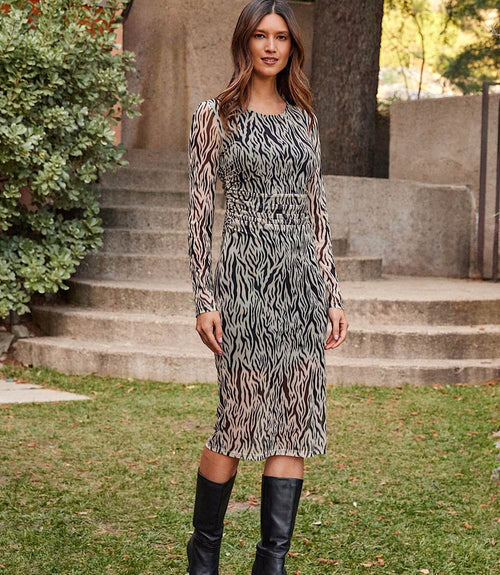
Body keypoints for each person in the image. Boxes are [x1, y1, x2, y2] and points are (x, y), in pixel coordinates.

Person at [186, 1, 349, 573]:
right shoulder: (214, 115)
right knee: (235, 419)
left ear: (291, 47)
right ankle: (203, 554)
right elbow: (200, 213)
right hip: (243, 280)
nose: (272, 46)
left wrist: (332, 293)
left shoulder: (304, 118)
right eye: (261, 36)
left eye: (281, 37)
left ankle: (270, 564)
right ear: (245, 43)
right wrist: (205, 298)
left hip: (300, 282)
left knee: (295, 421)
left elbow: (316, 209)